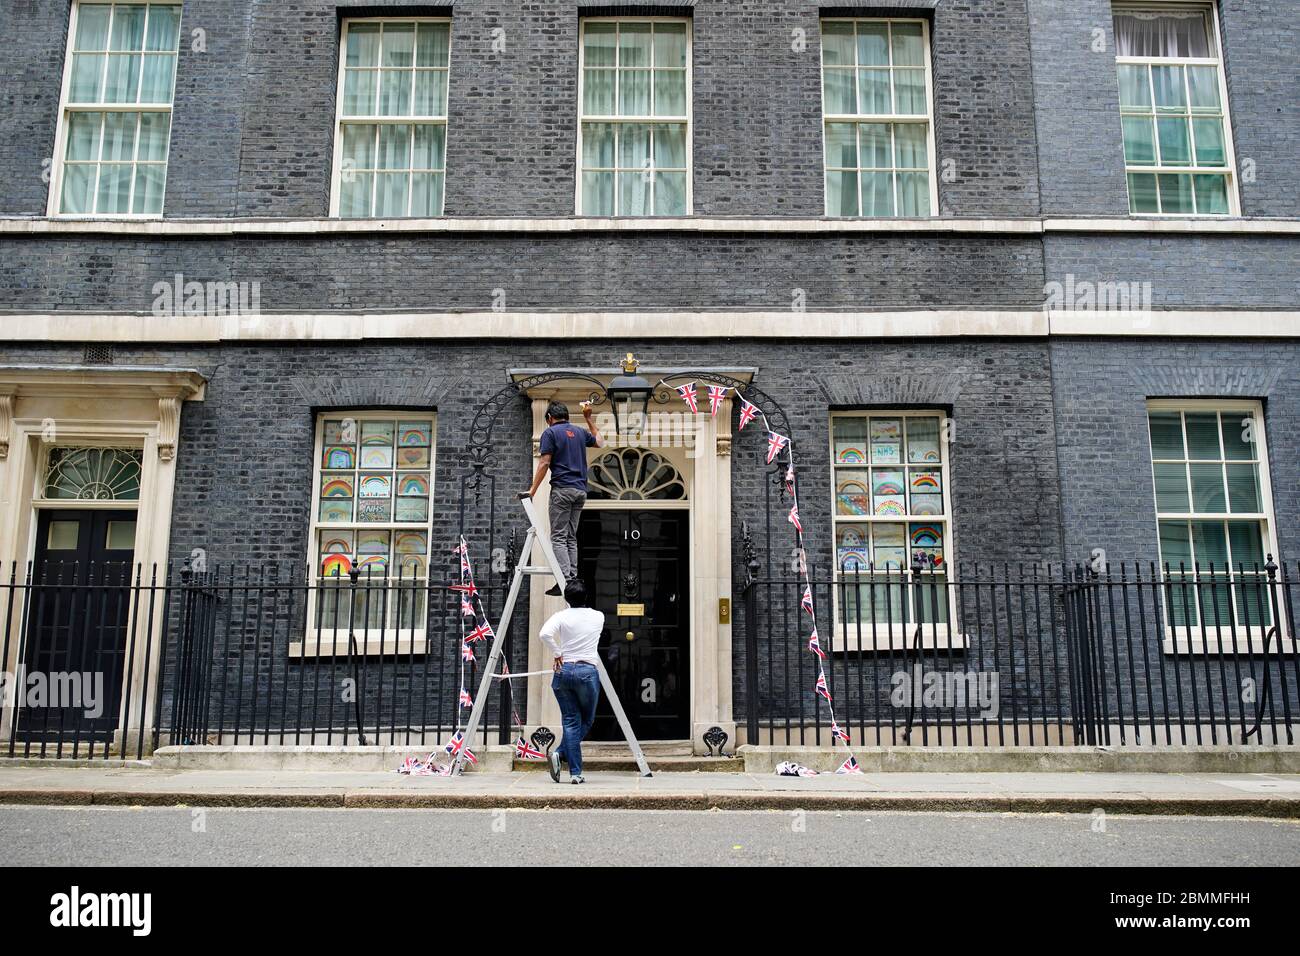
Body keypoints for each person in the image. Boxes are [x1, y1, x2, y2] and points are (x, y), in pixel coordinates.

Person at [524, 400, 605, 596]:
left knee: (558, 536)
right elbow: (601, 442)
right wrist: (588, 419)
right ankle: (572, 577)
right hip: (580, 491)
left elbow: (544, 463)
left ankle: (565, 581)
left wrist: (532, 490)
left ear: (550, 418)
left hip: (562, 490)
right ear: (566, 416)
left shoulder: (550, 433)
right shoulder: (578, 432)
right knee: (570, 536)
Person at [539, 580, 604, 784]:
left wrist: (557, 652)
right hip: (586, 671)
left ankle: (575, 771)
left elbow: (544, 634)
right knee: (587, 720)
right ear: (586, 597)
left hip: (564, 671)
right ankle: (562, 757)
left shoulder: (560, 616)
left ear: (566, 598)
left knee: (570, 721)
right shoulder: (598, 616)